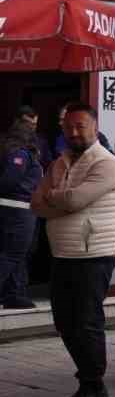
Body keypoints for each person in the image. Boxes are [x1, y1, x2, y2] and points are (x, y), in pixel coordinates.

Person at [29, 103, 115, 397]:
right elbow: (35, 204)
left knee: (87, 323)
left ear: (94, 127)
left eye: (81, 126)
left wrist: (58, 197)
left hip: (93, 253)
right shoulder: (58, 163)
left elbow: (75, 200)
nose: (74, 132)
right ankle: (88, 381)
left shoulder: (108, 163)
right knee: (64, 323)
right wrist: (61, 200)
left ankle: (93, 387)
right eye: (68, 126)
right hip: (62, 253)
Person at [1, 109, 44, 310]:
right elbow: (10, 181)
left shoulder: (14, 150)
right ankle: (12, 293)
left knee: (16, 253)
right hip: (19, 209)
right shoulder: (20, 153)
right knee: (12, 253)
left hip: (18, 208)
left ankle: (14, 294)